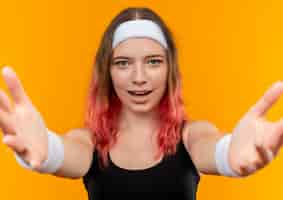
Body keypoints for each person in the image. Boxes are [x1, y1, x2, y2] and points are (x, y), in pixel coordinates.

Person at [1, 6, 283, 200]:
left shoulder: (192, 136)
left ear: (169, 69)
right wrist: (46, 152)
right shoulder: (88, 143)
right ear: (107, 72)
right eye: (123, 63)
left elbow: (212, 147)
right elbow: (68, 155)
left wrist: (230, 155)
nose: (139, 78)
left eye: (153, 62)